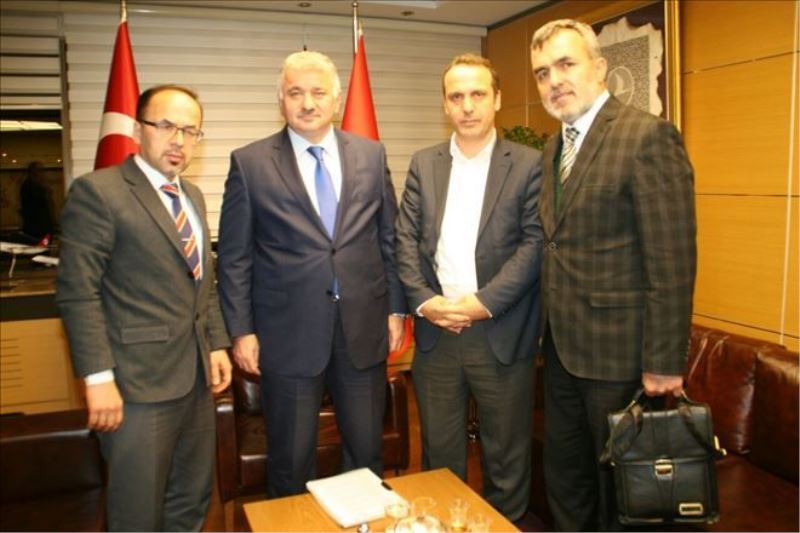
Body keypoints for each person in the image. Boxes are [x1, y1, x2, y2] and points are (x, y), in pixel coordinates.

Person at [529, 19, 697, 531]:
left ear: (599, 67)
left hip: (619, 357)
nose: (554, 80)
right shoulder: (552, 149)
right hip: (560, 353)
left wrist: (663, 363)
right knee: (567, 480)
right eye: (542, 72)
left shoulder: (647, 136)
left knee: (619, 495)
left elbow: (671, 261)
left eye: (566, 64)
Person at [216, 50, 406, 497]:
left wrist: (397, 310)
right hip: (289, 334)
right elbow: (235, 257)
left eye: (318, 92)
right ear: (280, 100)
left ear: (336, 99)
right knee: (291, 461)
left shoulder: (371, 154)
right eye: (295, 93)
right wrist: (241, 331)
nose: (307, 103)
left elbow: (389, 239)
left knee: (366, 454)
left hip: (362, 329)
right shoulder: (250, 163)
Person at [56, 85, 232, 531]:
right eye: (166, 126)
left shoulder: (192, 195)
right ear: (138, 130)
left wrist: (215, 344)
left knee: (190, 502)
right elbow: (78, 292)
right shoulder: (98, 192)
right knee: (137, 511)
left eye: (190, 131)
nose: (179, 140)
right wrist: (97, 378)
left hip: (195, 382)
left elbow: (202, 281)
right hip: (135, 388)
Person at [395, 53, 543, 522]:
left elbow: (535, 244)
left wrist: (483, 303)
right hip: (438, 335)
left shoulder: (529, 164)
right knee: (439, 461)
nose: (467, 105)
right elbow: (404, 240)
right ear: (445, 104)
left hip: (501, 332)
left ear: (497, 99)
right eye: (456, 96)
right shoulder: (424, 164)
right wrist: (425, 302)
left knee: (507, 461)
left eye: (478, 94)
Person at [19, 160, 55, 242]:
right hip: (35, 230)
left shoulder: (38, 186)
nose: (42, 173)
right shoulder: (28, 186)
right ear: (33, 172)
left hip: (43, 229)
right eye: (40, 170)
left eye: (42, 170)